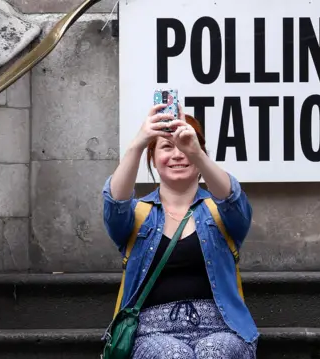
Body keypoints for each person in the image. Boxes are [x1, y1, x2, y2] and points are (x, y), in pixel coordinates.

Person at [101, 102, 258, 359]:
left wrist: (196, 152)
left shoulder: (220, 213)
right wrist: (138, 143)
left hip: (223, 327)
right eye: (166, 146)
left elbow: (233, 200)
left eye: (184, 146)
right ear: (152, 158)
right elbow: (114, 204)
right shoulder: (139, 215)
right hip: (151, 332)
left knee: (214, 353)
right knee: (173, 355)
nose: (177, 154)